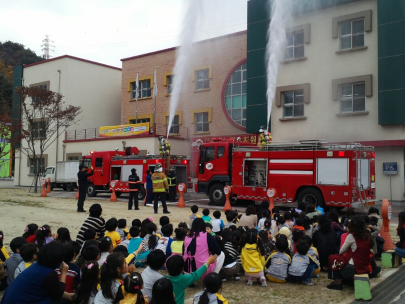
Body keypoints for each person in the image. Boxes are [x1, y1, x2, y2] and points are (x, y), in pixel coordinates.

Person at [0, 241, 74, 304]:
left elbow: (51, 289)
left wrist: (66, 295)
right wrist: (64, 273)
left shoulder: (37, 265)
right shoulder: (48, 273)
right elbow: (57, 294)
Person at [327, 217, 372, 290]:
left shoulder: (351, 236)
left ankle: (337, 282)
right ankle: (346, 280)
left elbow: (341, 251)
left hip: (355, 265)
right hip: (364, 264)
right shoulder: (367, 235)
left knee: (332, 258)